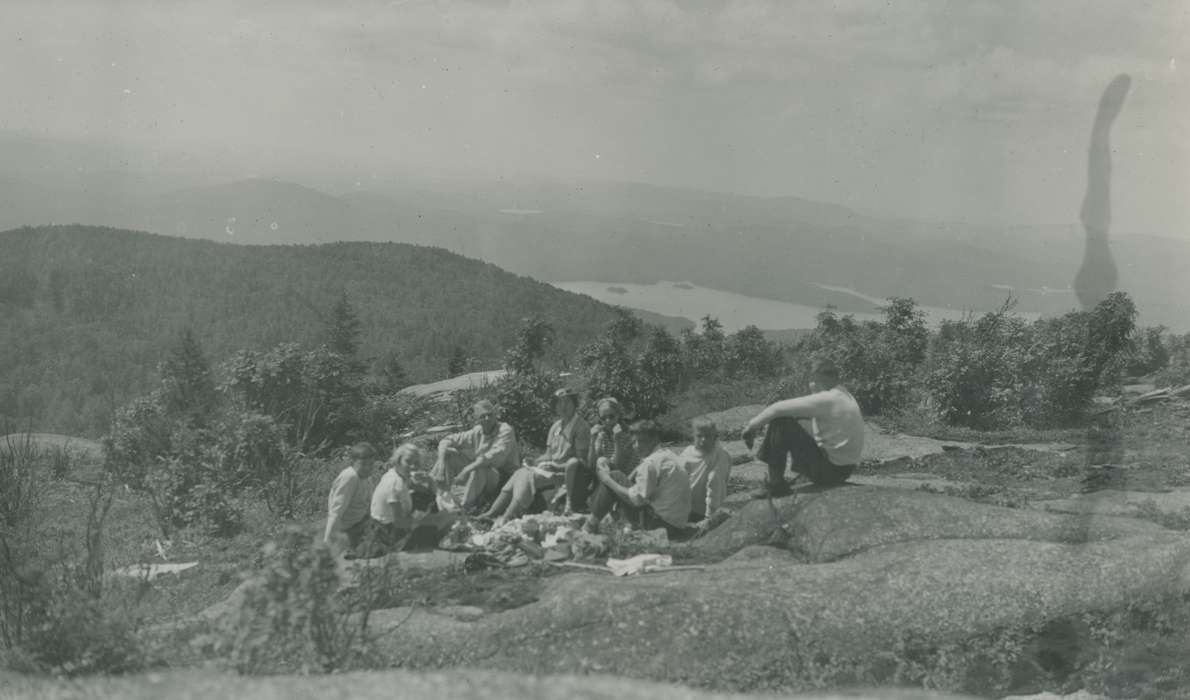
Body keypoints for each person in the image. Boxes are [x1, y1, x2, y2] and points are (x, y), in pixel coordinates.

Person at [741, 359, 864, 498]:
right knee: (796, 418)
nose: (810, 384)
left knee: (781, 421)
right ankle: (801, 475)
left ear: (818, 377)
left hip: (830, 472)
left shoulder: (828, 399)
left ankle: (775, 485)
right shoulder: (844, 394)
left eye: (812, 380)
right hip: (845, 470)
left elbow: (777, 408)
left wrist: (751, 427)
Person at [480, 387, 590, 524]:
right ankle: (491, 513)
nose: (563, 406)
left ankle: (508, 516)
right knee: (520, 472)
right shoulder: (556, 426)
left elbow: (581, 461)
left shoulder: (581, 427)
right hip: (550, 470)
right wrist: (535, 461)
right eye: (559, 403)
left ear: (574, 404)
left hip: (567, 475)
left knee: (527, 477)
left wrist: (557, 466)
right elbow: (548, 455)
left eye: (567, 402)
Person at [583, 419, 691, 538]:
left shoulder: (651, 462)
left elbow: (638, 500)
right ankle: (598, 519)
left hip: (661, 526)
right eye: (634, 442)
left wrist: (606, 480)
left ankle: (589, 526)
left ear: (655, 439)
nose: (637, 446)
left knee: (614, 476)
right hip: (676, 525)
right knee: (618, 478)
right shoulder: (667, 454)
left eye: (642, 441)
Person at [430, 399, 520, 513]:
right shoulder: (478, 431)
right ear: (477, 419)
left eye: (490, 415)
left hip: (504, 478)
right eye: (483, 416)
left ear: (495, 415)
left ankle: (465, 507)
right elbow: (447, 440)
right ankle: (431, 494)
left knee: (480, 466)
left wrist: (467, 469)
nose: (487, 419)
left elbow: (493, 456)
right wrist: (442, 463)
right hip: (484, 475)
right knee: (449, 453)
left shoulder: (505, 429)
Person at [566, 396, 634, 514]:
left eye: (611, 416)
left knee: (602, 460)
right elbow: (591, 464)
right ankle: (575, 504)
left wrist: (616, 440)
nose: (608, 421)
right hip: (607, 476)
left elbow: (620, 466)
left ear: (618, 415)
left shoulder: (627, 435)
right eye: (603, 418)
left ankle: (605, 505)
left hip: (625, 477)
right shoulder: (602, 434)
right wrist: (592, 439)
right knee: (583, 463)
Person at [362, 443, 421, 555]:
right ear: (398, 461)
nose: (413, 466)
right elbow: (399, 521)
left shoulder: (393, 473)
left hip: (378, 523)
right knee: (436, 524)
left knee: (422, 498)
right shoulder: (395, 483)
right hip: (387, 529)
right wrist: (420, 521)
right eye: (408, 462)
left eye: (416, 462)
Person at [324, 442, 379, 550]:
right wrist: (327, 542)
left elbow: (369, 505)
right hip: (349, 529)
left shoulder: (366, 478)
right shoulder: (350, 477)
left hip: (362, 523)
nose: (367, 468)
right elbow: (336, 511)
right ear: (353, 462)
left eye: (371, 464)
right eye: (363, 464)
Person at [678, 418, 732, 523]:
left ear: (715, 438)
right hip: (688, 506)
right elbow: (678, 479)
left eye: (707, 436)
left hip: (711, 507)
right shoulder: (687, 453)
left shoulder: (719, 456)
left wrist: (709, 517)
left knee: (714, 478)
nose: (703, 439)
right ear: (693, 436)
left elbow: (715, 484)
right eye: (699, 436)